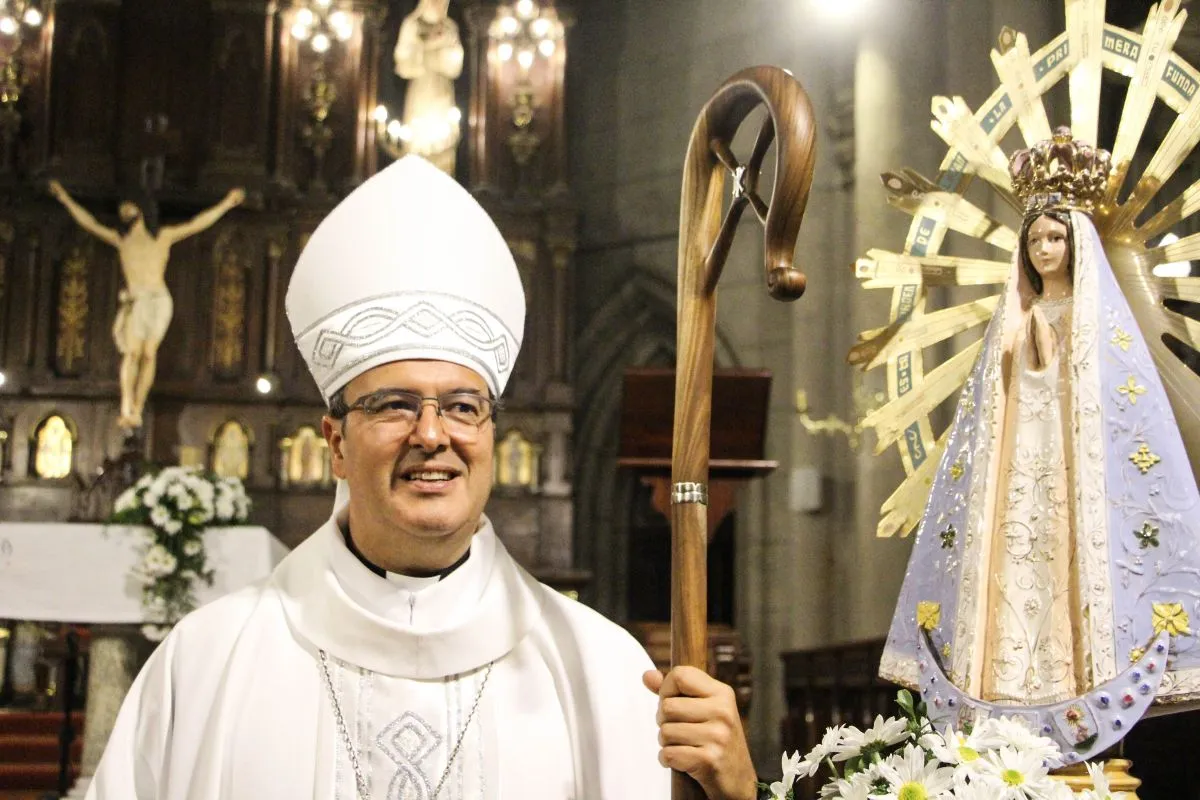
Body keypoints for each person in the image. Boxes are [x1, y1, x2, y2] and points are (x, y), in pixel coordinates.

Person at [85, 155, 757, 799]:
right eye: (394, 405)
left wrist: (735, 799)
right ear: (336, 444)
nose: (432, 435)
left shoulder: (603, 672)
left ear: (492, 436)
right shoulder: (208, 666)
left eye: (463, 407)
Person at [880, 129, 1200, 717]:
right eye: (1036, 240)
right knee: (1013, 573)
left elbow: (1123, 406)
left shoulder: (1100, 322)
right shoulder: (1013, 320)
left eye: (1056, 237)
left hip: (1081, 473)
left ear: (1075, 243)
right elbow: (989, 412)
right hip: (1019, 475)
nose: (1045, 249)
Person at [48, 181, 245, 429]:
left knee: (149, 354)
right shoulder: (122, 240)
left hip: (159, 299)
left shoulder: (163, 237)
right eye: (121, 209)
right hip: (137, 299)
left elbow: (197, 224)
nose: (123, 212)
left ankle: (138, 409)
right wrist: (65, 198)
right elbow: (89, 223)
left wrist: (226, 203)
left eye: (127, 206)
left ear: (140, 208)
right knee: (132, 353)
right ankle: (126, 405)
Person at [394, 0, 464, 174]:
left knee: (443, 142)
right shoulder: (412, 25)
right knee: (418, 141)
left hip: (441, 90)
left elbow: (455, 62)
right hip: (421, 89)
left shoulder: (449, 28)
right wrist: (423, 46)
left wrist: (438, 49)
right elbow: (402, 58)